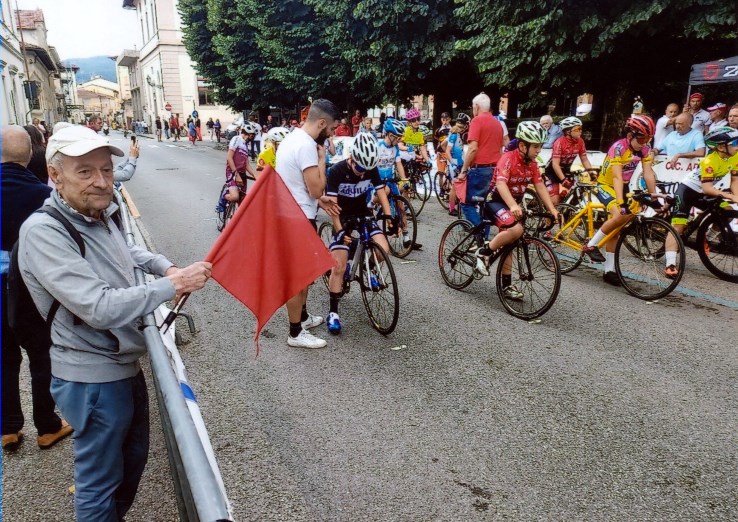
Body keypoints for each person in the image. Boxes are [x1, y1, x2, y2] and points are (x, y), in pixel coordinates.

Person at [18, 125, 212, 521]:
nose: (101, 181)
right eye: (85, 171)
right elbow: (99, 307)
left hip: (120, 363)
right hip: (92, 377)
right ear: (55, 175)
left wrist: (165, 266)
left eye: (106, 170)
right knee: (99, 482)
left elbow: (128, 250)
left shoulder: (97, 213)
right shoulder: (44, 230)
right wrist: (171, 284)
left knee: (131, 461)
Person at [1, 125, 73, 452]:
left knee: (4, 358)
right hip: (30, 289)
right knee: (41, 355)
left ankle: (8, 428)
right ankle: (48, 426)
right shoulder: (44, 197)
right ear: (31, 154)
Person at [275, 98, 341, 349]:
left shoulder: (292, 138)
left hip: (293, 213)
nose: (333, 134)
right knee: (298, 277)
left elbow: (297, 183)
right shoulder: (307, 147)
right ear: (321, 123)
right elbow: (316, 188)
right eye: (332, 129)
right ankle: (295, 333)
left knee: (306, 274)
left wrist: (319, 200)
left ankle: (302, 318)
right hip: (298, 218)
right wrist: (322, 159)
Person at [474, 122, 559, 299]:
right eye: (535, 146)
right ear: (522, 145)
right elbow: (500, 183)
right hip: (495, 201)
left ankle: (506, 285)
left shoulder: (532, 164)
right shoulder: (508, 159)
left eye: (540, 146)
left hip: (513, 204)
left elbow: (539, 185)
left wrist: (552, 209)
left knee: (512, 241)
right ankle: (484, 252)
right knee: (516, 229)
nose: (538, 150)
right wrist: (513, 205)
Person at [324, 133, 393, 334]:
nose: (363, 173)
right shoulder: (336, 171)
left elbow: (381, 191)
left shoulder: (370, 167)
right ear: (352, 158)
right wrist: (339, 230)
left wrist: (389, 217)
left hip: (363, 213)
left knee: (383, 250)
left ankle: (366, 268)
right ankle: (333, 312)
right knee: (339, 266)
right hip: (342, 215)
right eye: (360, 168)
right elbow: (332, 207)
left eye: (367, 169)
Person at [583, 115, 659, 285]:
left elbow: (647, 173)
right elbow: (617, 177)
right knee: (618, 214)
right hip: (605, 184)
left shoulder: (644, 149)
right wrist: (621, 202)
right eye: (642, 138)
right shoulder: (618, 148)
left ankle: (609, 270)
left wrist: (653, 194)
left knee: (616, 228)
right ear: (630, 135)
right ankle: (591, 245)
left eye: (649, 139)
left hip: (622, 186)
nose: (645, 142)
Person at [665, 126, 738, 279]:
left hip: (705, 192)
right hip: (688, 191)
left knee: (728, 212)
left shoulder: (735, 156)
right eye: (735, 142)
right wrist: (729, 195)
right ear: (720, 146)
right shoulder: (709, 161)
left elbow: (735, 181)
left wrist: (736, 197)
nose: (737, 145)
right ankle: (670, 264)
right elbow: (707, 189)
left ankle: (707, 238)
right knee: (677, 227)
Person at [457, 93, 504, 227]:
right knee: (485, 205)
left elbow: (473, 148)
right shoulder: (498, 123)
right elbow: (500, 149)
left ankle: (480, 232)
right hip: (495, 169)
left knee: (466, 203)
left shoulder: (476, 121)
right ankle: (484, 243)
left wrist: (464, 170)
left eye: (473, 107)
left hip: (480, 169)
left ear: (476, 106)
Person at [544, 116, 594, 206]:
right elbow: (555, 164)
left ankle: (563, 208)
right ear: (568, 132)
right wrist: (563, 179)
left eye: (581, 128)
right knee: (554, 202)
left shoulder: (580, 141)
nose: (580, 131)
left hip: (566, 170)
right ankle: (550, 216)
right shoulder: (559, 142)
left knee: (576, 195)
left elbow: (584, 159)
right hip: (553, 171)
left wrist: (591, 173)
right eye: (577, 129)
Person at [443, 113, 470, 215]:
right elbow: (447, 151)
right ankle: (451, 208)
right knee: (454, 186)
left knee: (460, 184)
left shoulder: (459, 134)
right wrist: (452, 164)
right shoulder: (454, 134)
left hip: (460, 162)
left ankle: (459, 204)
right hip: (454, 162)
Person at [224, 124, 258, 202]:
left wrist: (255, 174)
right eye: (251, 136)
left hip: (242, 174)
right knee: (235, 197)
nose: (252, 138)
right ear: (247, 134)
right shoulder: (237, 139)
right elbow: (229, 157)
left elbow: (247, 164)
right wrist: (236, 175)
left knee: (243, 201)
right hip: (232, 172)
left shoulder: (246, 145)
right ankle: (224, 197)